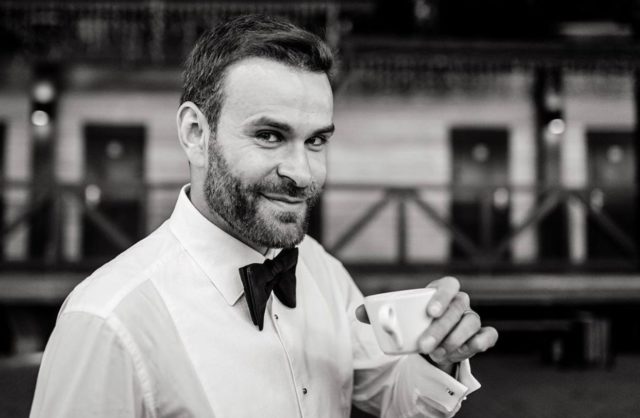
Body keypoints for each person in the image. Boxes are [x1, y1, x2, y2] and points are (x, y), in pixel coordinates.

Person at [30, 14, 497, 418]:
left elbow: (393, 393)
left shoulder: (320, 269)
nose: (302, 173)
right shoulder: (106, 323)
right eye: (270, 136)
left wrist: (438, 358)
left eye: (316, 141)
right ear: (195, 134)